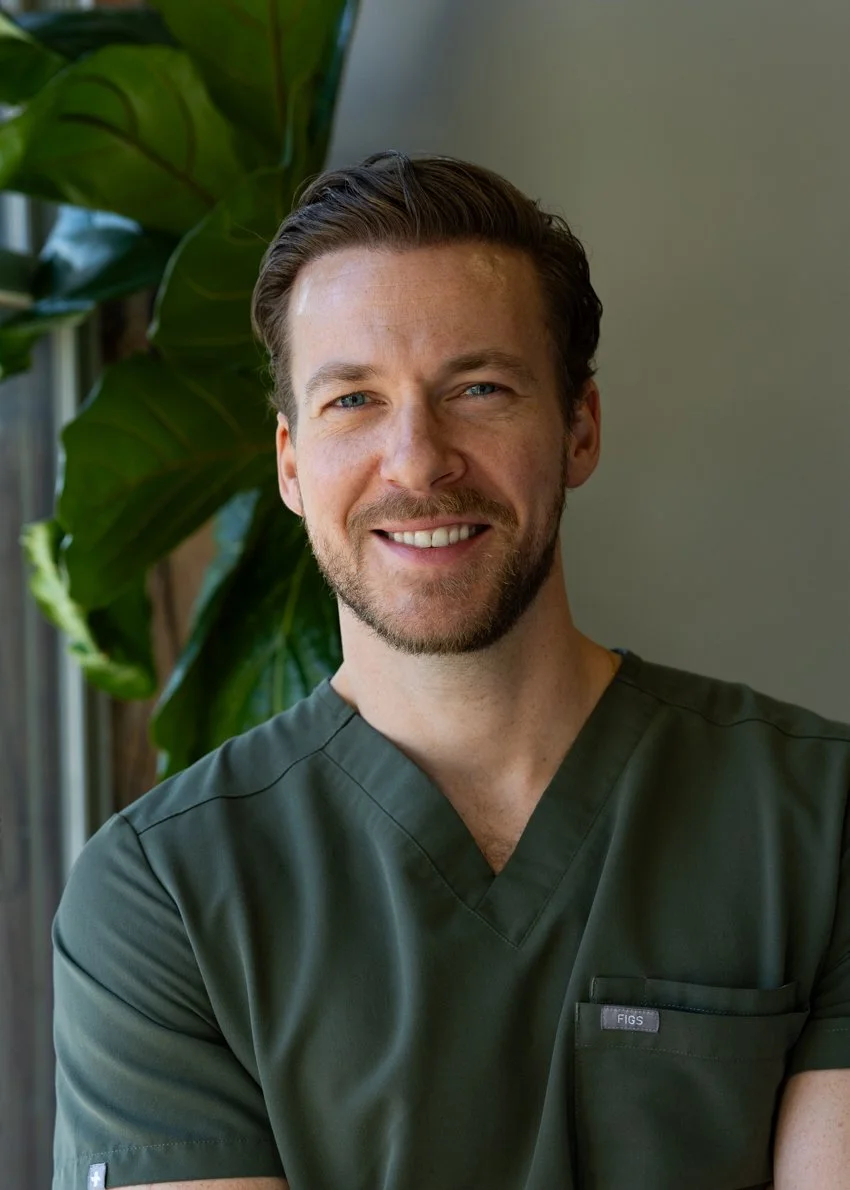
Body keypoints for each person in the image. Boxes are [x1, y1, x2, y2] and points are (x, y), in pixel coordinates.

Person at [53, 151, 850, 1190]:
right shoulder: (165, 896)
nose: (419, 461)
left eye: (477, 387)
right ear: (291, 463)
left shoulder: (819, 816)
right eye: (353, 402)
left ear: (578, 428)